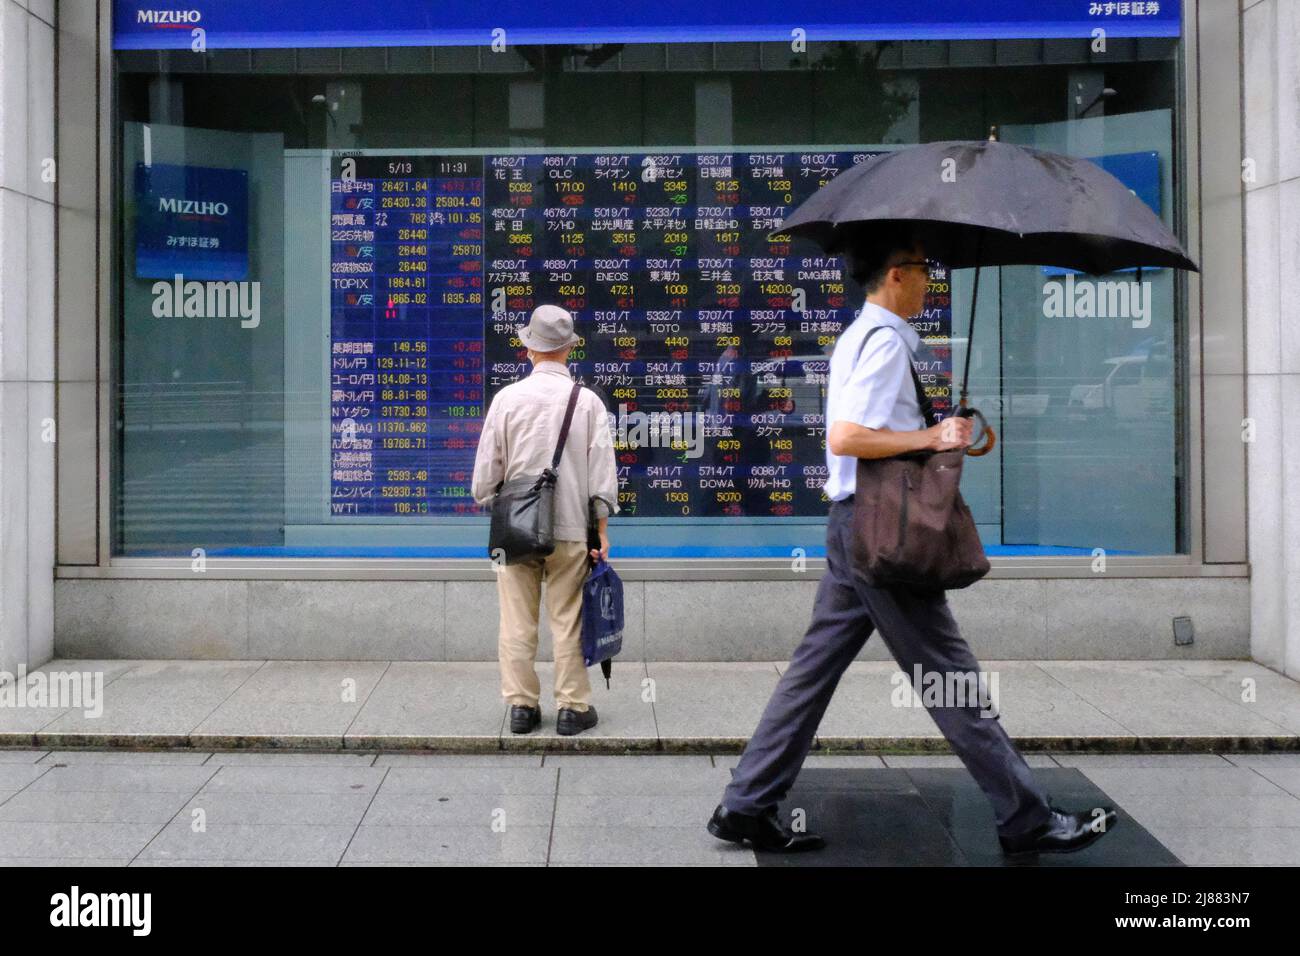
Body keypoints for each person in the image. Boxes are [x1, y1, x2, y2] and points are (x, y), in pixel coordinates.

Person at [707, 227, 1118, 856]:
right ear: (895, 274)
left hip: (856, 527)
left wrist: (935, 428)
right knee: (951, 676)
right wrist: (929, 440)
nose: (932, 279)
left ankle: (745, 804)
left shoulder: (862, 336)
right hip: (883, 534)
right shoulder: (882, 344)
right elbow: (847, 437)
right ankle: (1025, 817)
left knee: (812, 673)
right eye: (924, 268)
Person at [472, 305, 618, 736]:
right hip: (572, 528)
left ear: (530, 349)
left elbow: (484, 479)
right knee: (569, 618)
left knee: (516, 621)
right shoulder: (588, 402)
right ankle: (572, 709)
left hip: (515, 531)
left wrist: (496, 499)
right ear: (569, 348)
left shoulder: (506, 400)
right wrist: (602, 530)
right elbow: (602, 477)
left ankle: (521, 707)